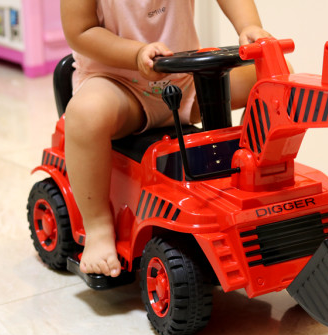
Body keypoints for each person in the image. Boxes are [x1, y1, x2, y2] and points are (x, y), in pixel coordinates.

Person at [61, 0, 272, 277]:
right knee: (85, 114)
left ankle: (254, 174)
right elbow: (80, 32)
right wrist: (136, 54)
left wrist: (249, 26)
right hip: (119, 86)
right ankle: (98, 227)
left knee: (270, 81)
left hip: (186, 79)